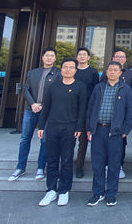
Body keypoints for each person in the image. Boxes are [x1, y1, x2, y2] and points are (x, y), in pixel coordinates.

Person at [36, 58, 87, 207]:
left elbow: (82, 109)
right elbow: (46, 107)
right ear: (61, 69)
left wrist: (79, 127)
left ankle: (64, 190)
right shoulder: (53, 86)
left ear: (75, 70)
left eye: (71, 67)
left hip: (70, 128)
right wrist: (41, 126)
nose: (68, 70)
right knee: (52, 160)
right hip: (52, 126)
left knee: (66, 159)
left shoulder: (80, 86)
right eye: (65, 67)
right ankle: (51, 190)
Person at [85, 61, 132, 207]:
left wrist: (125, 130)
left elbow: (129, 110)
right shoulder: (98, 87)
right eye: (110, 70)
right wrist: (89, 127)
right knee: (97, 163)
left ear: (120, 73)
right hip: (98, 130)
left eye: (115, 70)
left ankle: (111, 194)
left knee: (114, 164)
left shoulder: (125, 89)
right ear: (106, 72)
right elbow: (90, 107)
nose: (112, 72)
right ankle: (98, 193)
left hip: (115, 132)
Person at [9, 47, 59, 182]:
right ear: (42, 58)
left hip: (47, 111)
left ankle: (41, 168)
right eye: (47, 55)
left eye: (52, 55)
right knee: (25, 138)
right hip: (31, 110)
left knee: (45, 140)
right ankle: (20, 167)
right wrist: (32, 104)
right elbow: (26, 89)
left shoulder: (58, 74)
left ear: (55, 59)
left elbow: (57, 92)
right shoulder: (33, 73)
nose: (49, 58)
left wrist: (44, 106)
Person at [110, 49, 132, 179]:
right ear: (113, 58)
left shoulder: (130, 74)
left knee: (121, 140)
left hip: (123, 112)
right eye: (117, 57)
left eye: (122, 57)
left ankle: (119, 165)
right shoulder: (107, 72)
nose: (120, 59)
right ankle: (107, 165)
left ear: (125, 60)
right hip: (108, 112)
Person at [74, 47, 100, 179]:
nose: (82, 56)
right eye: (80, 54)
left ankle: (79, 166)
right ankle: (67, 165)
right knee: (68, 140)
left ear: (88, 57)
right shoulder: (72, 70)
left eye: (85, 54)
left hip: (86, 109)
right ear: (77, 57)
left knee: (83, 141)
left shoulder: (93, 72)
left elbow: (96, 91)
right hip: (72, 108)